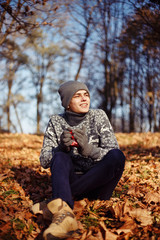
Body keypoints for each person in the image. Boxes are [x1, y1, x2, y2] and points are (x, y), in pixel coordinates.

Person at [31, 81, 125, 240]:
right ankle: (64, 215)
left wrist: (89, 149)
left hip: (99, 183)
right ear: (67, 103)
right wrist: (61, 147)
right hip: (71, 178)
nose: (84, 99)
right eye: (77, 96)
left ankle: (57, 202)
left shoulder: (98, 116)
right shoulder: (56, 121)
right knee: (59, 156)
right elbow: (44, 160)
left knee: (118, 156)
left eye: (86, 95)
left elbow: (112, 153)